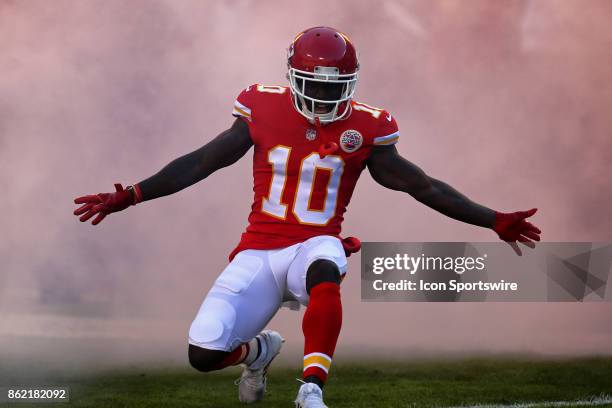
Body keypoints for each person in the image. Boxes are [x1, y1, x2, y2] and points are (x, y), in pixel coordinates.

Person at [73, 26, 541, 408]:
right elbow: (202, 162)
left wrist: (491, 219)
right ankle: (259, 352)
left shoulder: (367, 126)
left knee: (325, 266)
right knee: (203, 353)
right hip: (258, 248)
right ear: (294, 77)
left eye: (333, 87)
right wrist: (132, 195)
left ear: (351, 82)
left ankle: (311, 387)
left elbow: (422, 186)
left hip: (316, 241)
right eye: (314, 84)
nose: (322, 95)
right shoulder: (262, 106)